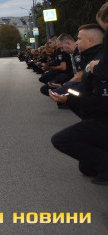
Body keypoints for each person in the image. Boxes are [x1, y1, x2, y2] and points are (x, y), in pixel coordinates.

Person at [50, 22, 107, 184]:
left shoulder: (99, 63)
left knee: (61, 140)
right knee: (86, 168)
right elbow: (87, 91)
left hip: (103, 120)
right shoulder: (92, 58)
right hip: (98, 117)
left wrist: (69, 99)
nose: (76, 42)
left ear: (90, 41)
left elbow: (101, 102)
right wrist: (68, 96)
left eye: (79, 39)